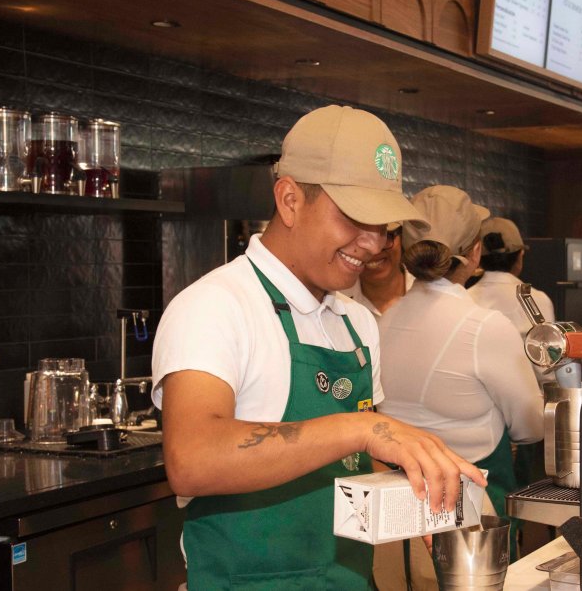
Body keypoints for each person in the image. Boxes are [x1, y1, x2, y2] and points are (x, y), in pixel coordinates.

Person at [151, 106, 485, 590]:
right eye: (354, 218)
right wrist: (363, 427)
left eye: (385, 225)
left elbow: (350, 467)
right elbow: (192, 459)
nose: (374, 244)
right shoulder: (214, 306)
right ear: (289, 200)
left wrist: (420, 497)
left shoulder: (355, 324)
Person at [376, 186, 542, 587]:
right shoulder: (484, 327)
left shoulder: (382, 320)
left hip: (399, 515)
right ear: (474, 253)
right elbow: (530, 426)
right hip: (472, 518)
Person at [468, 216, 556, 382]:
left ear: (478, 256)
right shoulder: (537, 300)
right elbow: (546, 369)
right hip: (526, 400)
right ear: (520, 255)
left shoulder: (464, 298)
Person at [344, 224, 412, 317]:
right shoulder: (336, 303)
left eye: (387, 235)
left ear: (402, 238)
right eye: (362, 239)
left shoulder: (434, 289)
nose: (375, 250)